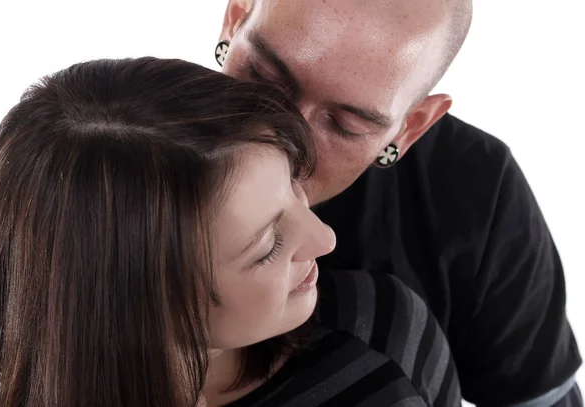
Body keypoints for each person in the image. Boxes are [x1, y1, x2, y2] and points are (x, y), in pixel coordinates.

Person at [0, 57, 461, 406]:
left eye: (294, 186)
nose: (324, 239)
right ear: (137, 302)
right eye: (267, 246)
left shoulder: (384, 338)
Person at [214, 0, 583, 405]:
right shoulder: (136, 144)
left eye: (344, 125)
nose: (285, 142)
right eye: (263, 78)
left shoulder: (474, 189)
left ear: (410, 128)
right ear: (235, 19)